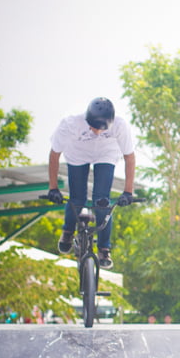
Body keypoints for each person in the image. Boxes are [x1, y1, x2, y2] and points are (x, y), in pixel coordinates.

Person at [46, 97, 136, 269]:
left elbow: (129, 157)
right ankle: (67, 231)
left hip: (106, 153)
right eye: (94, 127)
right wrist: (53, 188)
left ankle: (104, 248)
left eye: (102, 129)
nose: (97, 132)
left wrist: (128, 192)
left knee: (102, 201)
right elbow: (54, 155)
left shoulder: (120, 125)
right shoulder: (70, 124)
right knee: (77, 199)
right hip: (77, 153)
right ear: (87, 119)